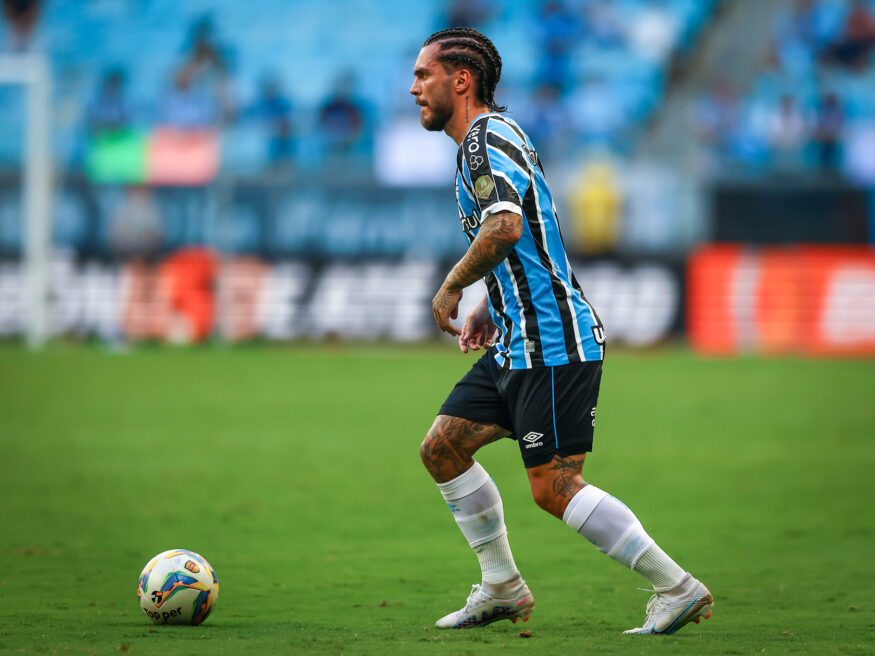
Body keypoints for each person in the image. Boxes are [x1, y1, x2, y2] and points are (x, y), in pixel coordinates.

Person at [409, 27, 713, 635]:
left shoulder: (483, 139)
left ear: (461, 80)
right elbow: (524, 237)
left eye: (424, 75)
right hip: (515, 341)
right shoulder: (487, 139)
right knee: (442, 448)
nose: (414, 87)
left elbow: (506, 227)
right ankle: (502, 586)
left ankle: (676, 586)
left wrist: (451, 287)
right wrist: (492, 303)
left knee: (554, 487)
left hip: (552, 343)